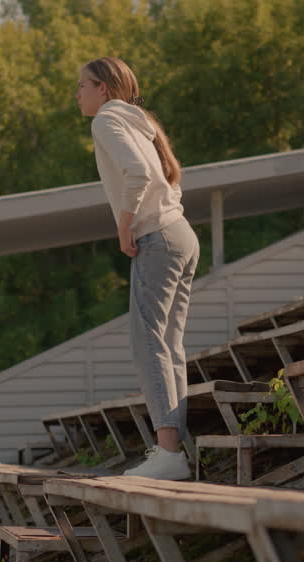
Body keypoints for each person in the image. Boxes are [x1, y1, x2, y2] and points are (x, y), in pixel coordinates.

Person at [77, 56, 199, 481]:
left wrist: (125, 227)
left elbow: (138, 174)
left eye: (82, 86)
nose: (78, 94)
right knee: (168, 345)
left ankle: (168, 453)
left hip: (158, 238)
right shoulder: (136, 121)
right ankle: (173, 451)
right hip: (180, 233)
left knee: (147, 343)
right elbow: (167, 178)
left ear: (103, 90)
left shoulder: (108, 120)